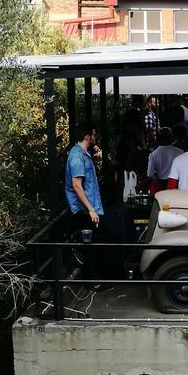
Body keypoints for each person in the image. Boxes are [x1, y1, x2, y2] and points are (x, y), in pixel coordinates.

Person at [64, 122, 111, 290]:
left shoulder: (84, 154)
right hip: (85, 210)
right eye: (93, 134)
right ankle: (94, 282)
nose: (95, 136)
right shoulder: (77, 157)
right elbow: (76, 185)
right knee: (90, 245)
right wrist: (90, 209)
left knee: (97, 242)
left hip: (91, 207)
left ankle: (96, 279)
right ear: (87, 136)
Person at [146, 128, 184, 194]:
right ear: (171, 137)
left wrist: (156, 182)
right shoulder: (180, 152)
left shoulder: (154, 154)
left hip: (161, 185)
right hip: (176, 184)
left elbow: (150, 174)